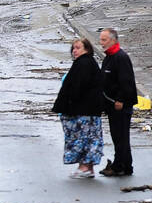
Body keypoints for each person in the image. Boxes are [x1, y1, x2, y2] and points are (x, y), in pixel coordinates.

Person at [52, 38, 105, 178]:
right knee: (90, 138)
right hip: (89, 110)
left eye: (78, 48)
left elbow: (77, 88)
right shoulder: (87, 63)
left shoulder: (84, 64)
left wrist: (68, 104)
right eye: (73, 48)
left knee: (81, 138)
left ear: (87, 49)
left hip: (82, 111)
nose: (74, 51)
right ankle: (88, 168)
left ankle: (84, 167)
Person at [98, 27, 138, 177]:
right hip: (112, 104)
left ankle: (121, 165)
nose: (101, 43)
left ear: (113, 40)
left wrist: (121, 100)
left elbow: (126, 81)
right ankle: (123, 165)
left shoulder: (120, 57)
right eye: (101, 39)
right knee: (118, 137)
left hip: (120, 105)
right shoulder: (109, 56)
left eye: (104, 40)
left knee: (121, 137)